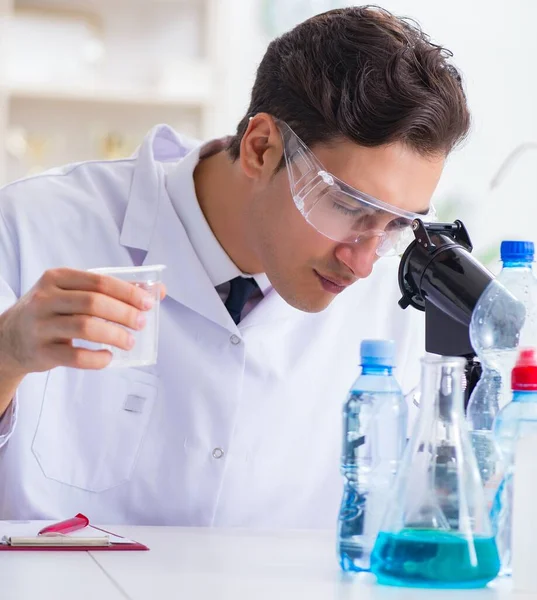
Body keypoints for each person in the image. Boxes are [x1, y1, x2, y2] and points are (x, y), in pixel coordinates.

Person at [0, 6, 469, 527]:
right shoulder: (28, 228)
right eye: (348, 207)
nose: (362, 261)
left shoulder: (391, 300)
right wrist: (5, 356)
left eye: (396, 224)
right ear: (261, 149)